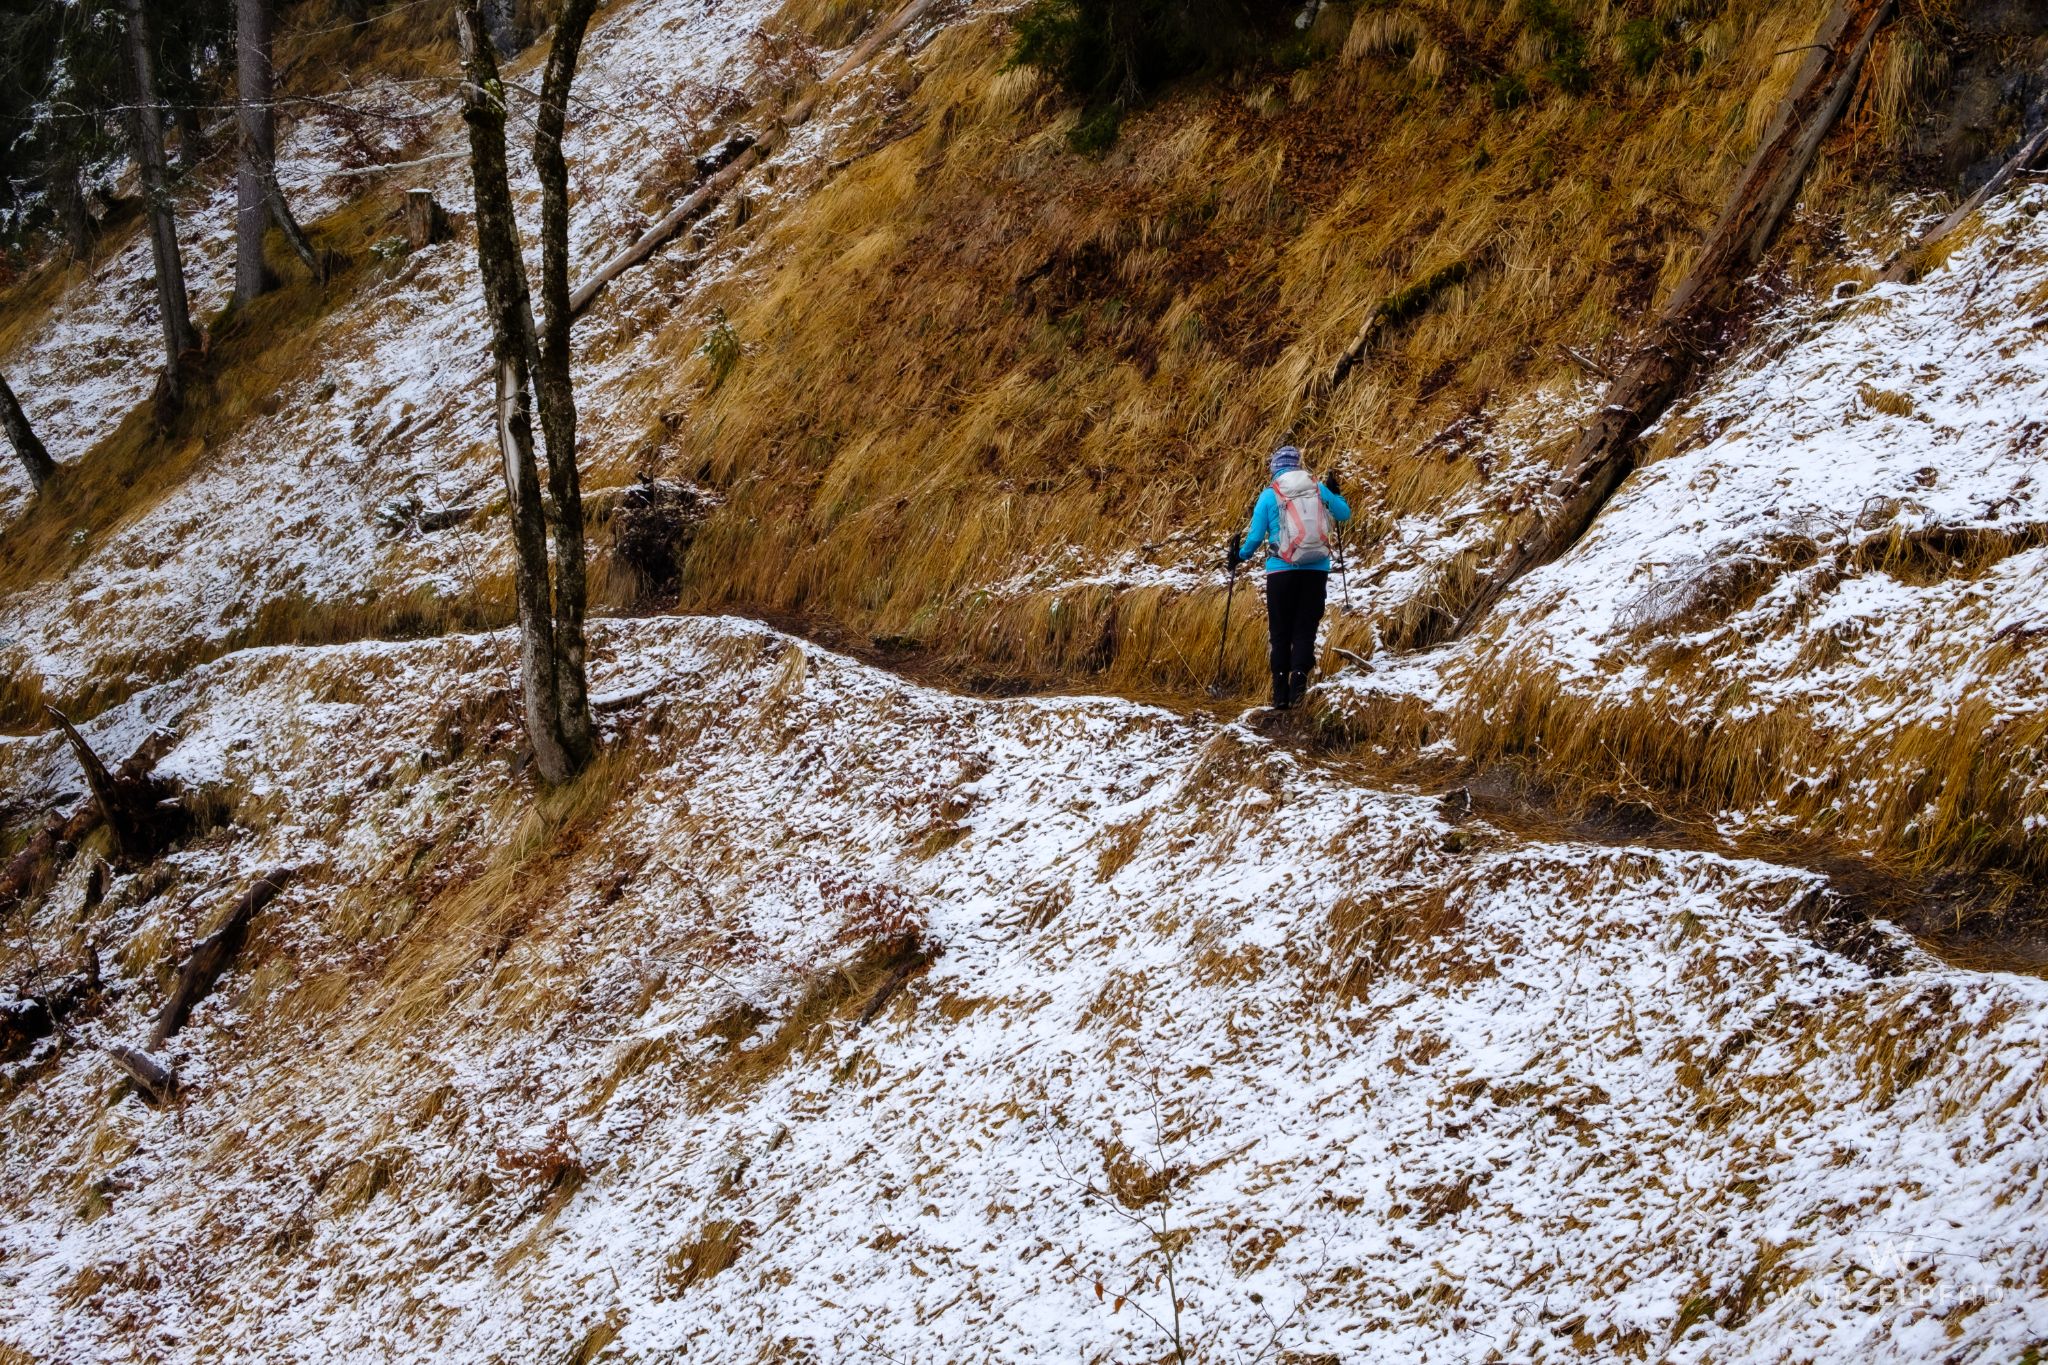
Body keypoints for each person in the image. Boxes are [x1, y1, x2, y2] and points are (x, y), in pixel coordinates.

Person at [1228, 445, 1351, 709]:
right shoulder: (1317, 488)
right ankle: (1298, 688)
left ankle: (1279, 694)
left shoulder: (1270, 495)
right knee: (1305, 629)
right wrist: (1336, 494)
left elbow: (1255, 537)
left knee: (1280, 631)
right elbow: (1344, 513)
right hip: (1316, 569)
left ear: (1275, 468)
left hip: (1280, 571)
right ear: (1298, 465)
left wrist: (1240, 555)